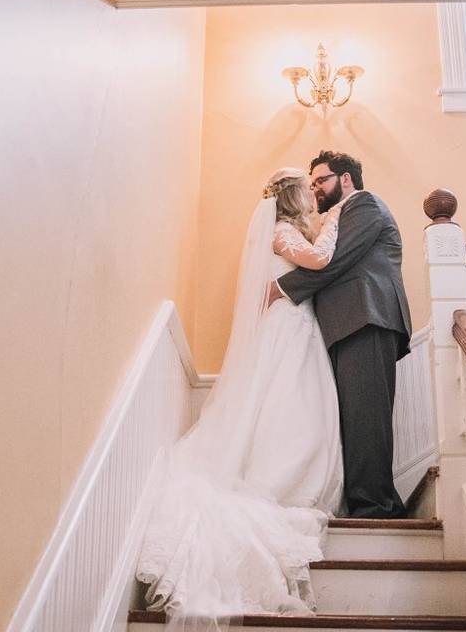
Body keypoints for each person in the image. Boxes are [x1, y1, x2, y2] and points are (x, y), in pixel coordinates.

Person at [135, 168, 344, 622]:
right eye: (307, 192)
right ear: (293, 199)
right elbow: (318, 261)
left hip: (297, 328)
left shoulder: (283, 230)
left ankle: (295, 480)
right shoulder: (282, 232)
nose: (314, 197)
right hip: (286, 330)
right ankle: (277, 484)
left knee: (299, 407)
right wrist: (332, 225)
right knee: (289, 406)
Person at [270, 151, 413, 519]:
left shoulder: (364, 205)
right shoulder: (333, 218)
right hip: (344, 324)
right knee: (352, 416)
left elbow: (338, 260)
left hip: (366, 317)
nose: (315, 188)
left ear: (345, 179)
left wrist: (282, 289)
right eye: (312, 183)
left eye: (322, 180)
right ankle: (361, 499)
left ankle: (377, 507)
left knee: (366, 416)